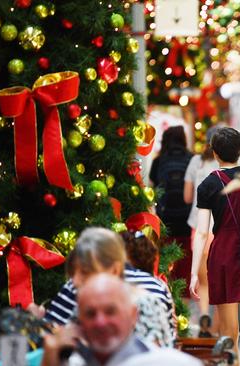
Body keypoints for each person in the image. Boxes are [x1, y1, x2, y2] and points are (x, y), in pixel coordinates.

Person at [188, 127, 240, 365]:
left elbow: (201, 232)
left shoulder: (208, 184)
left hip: (222, 256)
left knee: (229, 330)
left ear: (214, 152)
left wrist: (193, 273)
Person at [44, 228, 176, 346]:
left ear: (115, 269)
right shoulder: (158, 287)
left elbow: (48, 333)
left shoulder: (143, 302)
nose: (77, 281)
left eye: (84, 272)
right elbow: (171, 339)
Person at [42, 274, 202, 366]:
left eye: (110, 311)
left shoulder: (171, 363)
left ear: (133, 315)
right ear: (79, 321)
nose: (100, 322)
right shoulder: (68, 362)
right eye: (90, 313)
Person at [183, 127, 219, 331]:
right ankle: (221, 325)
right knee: (219, 278)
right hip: (221, 228)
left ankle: (205, 315)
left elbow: (187, 197)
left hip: (198, 226)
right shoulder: (229, 165)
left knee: (203, 277)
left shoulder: (196, 162)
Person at [149, 126, 193, 288]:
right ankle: (186, 292)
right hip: (187, 220)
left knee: (167, 261)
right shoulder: (191, 159)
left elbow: (153, 187)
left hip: (165, 220)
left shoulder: (158, 161)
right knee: (186, 259)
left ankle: (167, 291)